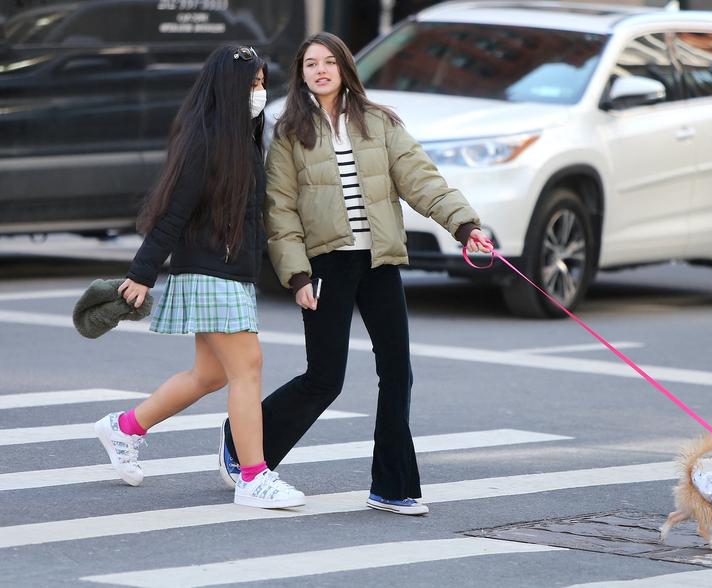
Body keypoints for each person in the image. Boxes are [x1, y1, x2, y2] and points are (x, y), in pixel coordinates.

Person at [218, 32, 493, 516]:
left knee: (397, 373)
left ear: (344, 66)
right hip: (326, 264)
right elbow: (279, 211)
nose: (320, 70)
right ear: (301, 74)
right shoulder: (288, 132)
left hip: (379, 261)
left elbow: (421, 178)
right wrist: (297, 276)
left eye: (328, 62)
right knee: (325, 379)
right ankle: (243, 447)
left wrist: (465, 225)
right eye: (310, 64)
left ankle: (392, 486)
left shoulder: (380, 123)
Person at [93, 45, 305, 510]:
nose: (259, 92)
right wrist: (141, 273)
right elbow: (172, 212)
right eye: (251, 84)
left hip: (231, 272)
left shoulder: (244, 138)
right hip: (211, 271)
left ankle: (124, 427)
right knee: (248, 368)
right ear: (228, 88)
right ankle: (253, 477)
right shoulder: (205, 138)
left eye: (262, 83)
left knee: (209, 374)